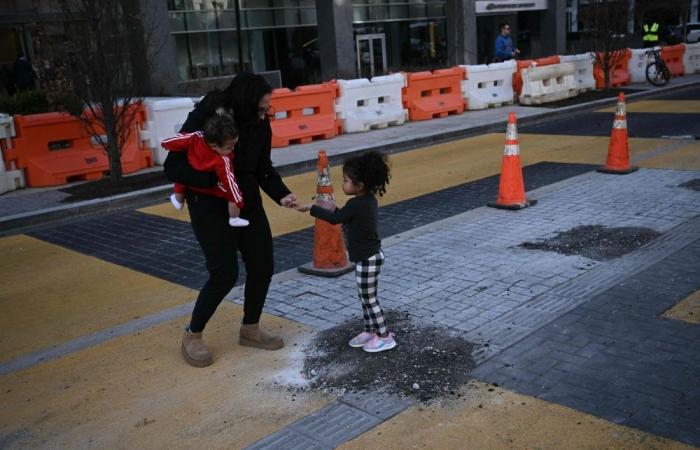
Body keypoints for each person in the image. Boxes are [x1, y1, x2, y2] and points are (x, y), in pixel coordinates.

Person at [164, 72, 299, 367]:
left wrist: (283, 195)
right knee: (224, 273)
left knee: (262, 265)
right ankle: (193, 334)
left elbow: (263, 168)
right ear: (243, 103)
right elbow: (172, 166)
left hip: (246, 202)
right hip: (209, 206)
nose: (265, 115)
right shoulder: (208, 116)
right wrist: (214, 184)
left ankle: (250, 328)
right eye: (260, 108)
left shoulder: (260, 126)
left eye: (267, 109)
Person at [297, 152, 396, 353]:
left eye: (345, 181)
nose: (343, 184)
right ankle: (370, 330)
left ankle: (384, 336)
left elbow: (336, 218)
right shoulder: (367, 200)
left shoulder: (356, 204)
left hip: (368, 259)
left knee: (369, 299)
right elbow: (342, 215)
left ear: (359, 185)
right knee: (366, 296)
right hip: (370, 257)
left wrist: (312, 208)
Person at [162, 114, 249, 228]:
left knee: (180, 180)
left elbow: (179, 139)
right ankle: (234, 218)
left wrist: (165, 143)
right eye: (229, 147)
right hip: (209, 186)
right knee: (233, 195)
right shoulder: (222, 161)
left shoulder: (196, 137)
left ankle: (178, 199)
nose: (232, 149)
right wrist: (238, 199)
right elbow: (229, 181)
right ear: (214, 146)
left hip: (191, 175)